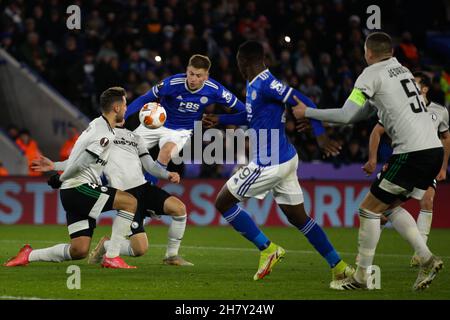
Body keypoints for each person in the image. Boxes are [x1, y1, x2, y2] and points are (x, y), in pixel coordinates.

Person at [293, 32, 444, 290]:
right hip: (433, 151)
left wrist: (306, 112)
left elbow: (346, 113)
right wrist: (322, 118)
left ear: (369, 53)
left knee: (367, 209)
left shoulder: (370, 74)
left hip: (411, 153)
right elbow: (363, 112)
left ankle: (362, 277)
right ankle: (427, 259)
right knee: (388, 207)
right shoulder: (403, 70)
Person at [202, 40, 352, 285]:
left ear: (244, 62)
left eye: (238, 62)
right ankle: (340, 267)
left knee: (223, 202)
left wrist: (320, 135)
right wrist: (220, 118)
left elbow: (306, 102)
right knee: (299, 218)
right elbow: (250, 117)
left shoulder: (266, 83)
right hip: (286, 158)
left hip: (269, 162)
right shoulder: (254, 84)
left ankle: (267, 249)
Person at [4, 87, 138, 269]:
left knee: (79, 250)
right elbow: (81, 164)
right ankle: (112, 256)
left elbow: (77, 160)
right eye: (125, 104)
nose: (126, 108)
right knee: (130, 202)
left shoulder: (97, 125)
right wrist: (60, 177)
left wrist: (56, 166)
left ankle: (29, 255)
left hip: (72, 191)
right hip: (79, 188)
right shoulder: (104, 135)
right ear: (116, 108)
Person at [363, 71, 450, 267]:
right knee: (384, 210)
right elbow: (377, 131)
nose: (410, 86)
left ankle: (421, 255)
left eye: (415, 83)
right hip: (404, 160)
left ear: (424, 88)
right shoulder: (401, 108)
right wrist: (373, 158)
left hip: (426, 162)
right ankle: (371, 260)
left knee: (427, 201)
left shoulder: (440, 111)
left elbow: (446, 137)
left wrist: (443, 167)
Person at [124, 54, 246, 179]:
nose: (193, 79)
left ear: (206, 77)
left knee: (165, 153)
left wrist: (220, 118)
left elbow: (245, 111)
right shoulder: (171, 83)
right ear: (187, 71)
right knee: (125, 152)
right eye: (191, 73)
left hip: (181, 131)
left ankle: (147, 190)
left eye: (198, 75)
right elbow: (144, 98)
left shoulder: (216, 90)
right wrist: (123, 116)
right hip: (156, 123)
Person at [86, 125, 194, 266]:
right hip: (125, 196)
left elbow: (150, 166)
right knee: (139, 249)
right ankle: (106, 245)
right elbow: (88, 163)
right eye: (123, 107)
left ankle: (171, 256)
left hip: (144, 188)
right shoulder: (100, 136)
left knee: (179, 209)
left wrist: (167, 174)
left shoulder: (134, 137)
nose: (125, 111)